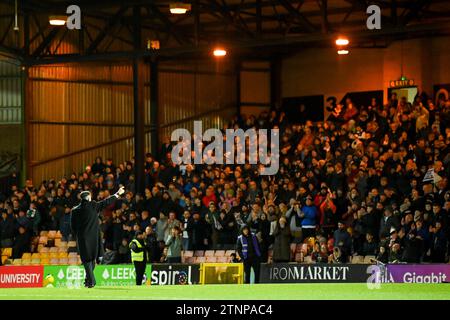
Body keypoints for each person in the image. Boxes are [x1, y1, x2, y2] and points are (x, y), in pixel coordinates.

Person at [70, 186, 124, 288]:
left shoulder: (75, 210)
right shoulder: (93, 205)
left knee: (86, 259)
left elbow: (72, 226)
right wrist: (117, 193)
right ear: (89, 197)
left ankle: (88, 280)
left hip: (82, 238)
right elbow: (106, 202)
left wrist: (78, 234)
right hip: (94, 237)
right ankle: (92, 281)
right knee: (91, 259)